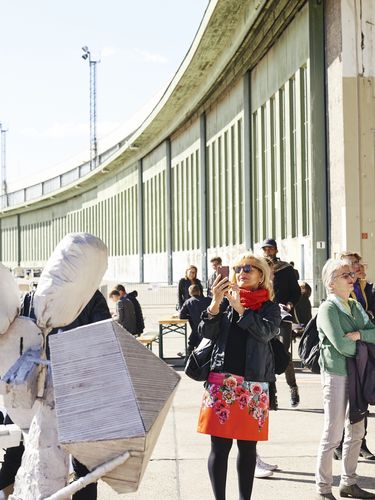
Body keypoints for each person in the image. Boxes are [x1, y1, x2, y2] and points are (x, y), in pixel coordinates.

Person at [0, 290, 111, 500]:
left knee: (25, 454)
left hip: (34, 389)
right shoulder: (90, 296)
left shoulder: (32, 296)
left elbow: (15, 338)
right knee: (83, 466)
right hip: (76, 388)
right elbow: (103, 340)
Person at [197, 253, 281, 499]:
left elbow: (266, 333)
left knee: (247, 448)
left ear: (261, 275)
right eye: (238, 268)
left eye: (249, 268)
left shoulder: (270, 307)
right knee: (219, 448)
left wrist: (241, 310)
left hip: (253, 385)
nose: (242, 272)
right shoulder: (223, 303)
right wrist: (214, 303)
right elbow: (205, 333)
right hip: (222, 383)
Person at [315, 258, 375, 499]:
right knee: (333, 432)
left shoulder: (354, 305)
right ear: (331, 283)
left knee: (357, 429)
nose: (352, 278)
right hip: (337, 374)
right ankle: (323, 487)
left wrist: (360, 334)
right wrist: (363, 344)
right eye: (345, 275)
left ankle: (349, 482)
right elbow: (341, 346)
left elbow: (373, 333)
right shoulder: (328, 309)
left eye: (352, 274)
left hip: (357, 374)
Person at [333, 252, 375, 461]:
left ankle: (361, 444)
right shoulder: (338, 295)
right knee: (342, 405)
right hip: (346, 356)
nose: (357, 267)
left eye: (358, 263)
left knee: (362, 401)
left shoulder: (368, 288)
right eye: (352, 266)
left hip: (366, 351)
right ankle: (338, 443)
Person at [261, 238, 301, 409]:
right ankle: (272, 394)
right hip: (264, 316)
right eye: (265, 249)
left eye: (270, 249)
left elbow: (295, 291)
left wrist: (291, 303)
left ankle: (293, 388)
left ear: (276, 250)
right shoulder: (259, 269)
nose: (267, 251)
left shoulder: (286, 269)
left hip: (283, 316)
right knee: (266, 355)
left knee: (284, 354)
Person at [179, 284, 212, 356]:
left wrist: (190, 316)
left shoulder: (188, 302)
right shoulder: (209, 300)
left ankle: (188, 357)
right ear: (200, 292)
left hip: (195, 330)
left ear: (190, 293)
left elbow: (181, 316)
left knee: (191, 342)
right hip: (209, 330)